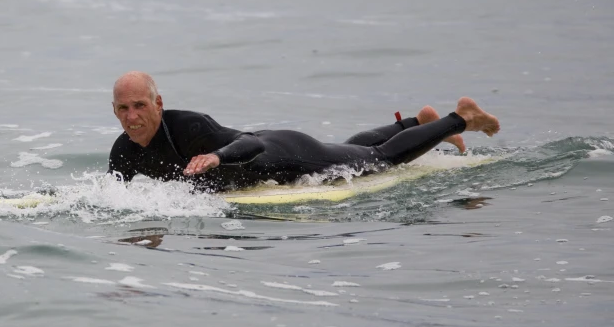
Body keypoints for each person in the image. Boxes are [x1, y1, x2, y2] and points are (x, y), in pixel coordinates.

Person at [107, 71, 500, 192]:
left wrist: (217, 157)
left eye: (140, 105)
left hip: (282, 154)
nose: (132, 116)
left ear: (158, 104)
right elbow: (112, 194)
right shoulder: (124, 151)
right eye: (123, 108)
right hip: (271, 158)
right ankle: (416, 123)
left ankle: (461, 118)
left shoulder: (189, 127)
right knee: (345, 149)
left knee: (378, 161)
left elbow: (251, 143)